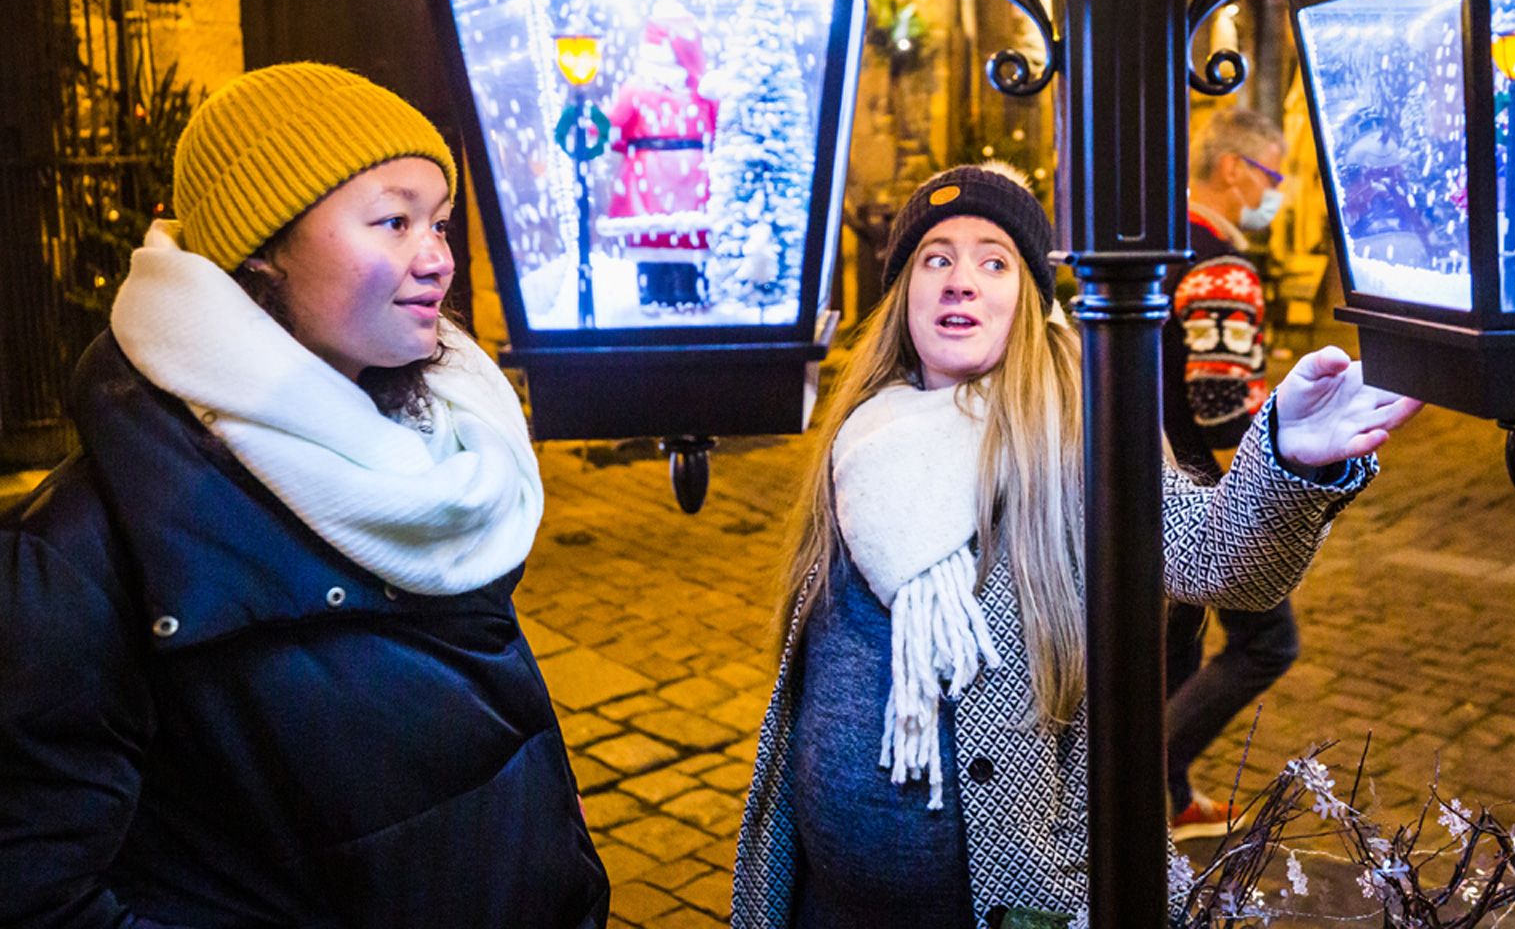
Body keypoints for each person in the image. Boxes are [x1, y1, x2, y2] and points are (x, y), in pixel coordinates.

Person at [731, 163, 1420, 929]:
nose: (962, 280)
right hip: (828, 906)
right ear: (904, 295)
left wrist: (1288, 458)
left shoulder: (1073, 434)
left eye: (994, 260)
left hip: (1006, 906)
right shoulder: (863, 435)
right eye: (937, 258)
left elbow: (1220, 554)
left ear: (1029, 296)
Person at [0, 63, 609, 929]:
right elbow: (42, 900)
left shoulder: (440, 447)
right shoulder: (84, 555)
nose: (437, 257)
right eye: (394, 221)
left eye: (438, 221)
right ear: (262, 245)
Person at [1160, 109, 1300, 841]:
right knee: (1268, 640)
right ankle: (1146, 773)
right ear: (1233, 169)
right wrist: (1281, 488)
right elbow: (1220, 412)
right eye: (1271, 176)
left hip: (1149, 479)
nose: (1274, 194)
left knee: (1176, 642)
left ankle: (1172, 798)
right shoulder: (1219, 263)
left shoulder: (1159, 240)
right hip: (1203, 493)